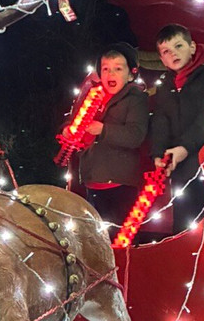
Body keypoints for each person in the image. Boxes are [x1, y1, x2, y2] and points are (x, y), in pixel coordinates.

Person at [63, 43, 148, 231]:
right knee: (95, 233)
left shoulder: (135, 99)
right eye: (106, 69)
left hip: (119, 181)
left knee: (117, 233)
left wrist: (103, 130)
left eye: (118, 69)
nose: (111, 74)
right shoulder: (92, 96)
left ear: (131, 74)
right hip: (92, 178)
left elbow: (135, 135)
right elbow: (72, 118)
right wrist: (67, 129)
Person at [150, 24, 204, 232]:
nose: (173, 53)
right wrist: (158, 153)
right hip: (178, 165)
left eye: (178, 46)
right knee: (181, 217)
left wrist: (184, 148)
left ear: (192, 47)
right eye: (166, 51)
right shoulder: (166, 85)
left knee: (200, 221)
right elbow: (160, 120)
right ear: (162, 59)